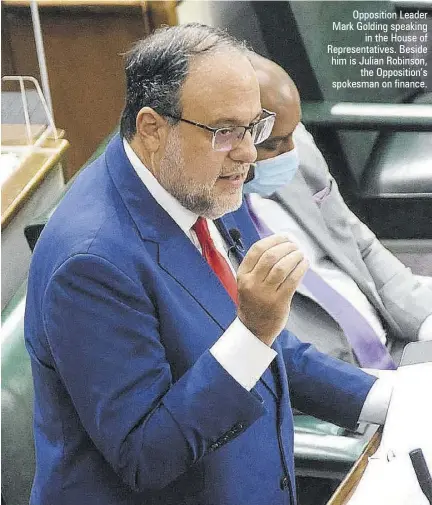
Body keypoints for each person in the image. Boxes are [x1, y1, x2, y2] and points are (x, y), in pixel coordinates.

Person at [25, 24, 391, 505]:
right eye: (225, 131)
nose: (248, 154)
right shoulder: (91, 263)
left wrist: (393, 402)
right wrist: (253, 331)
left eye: (252, 126)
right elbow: (145, 455)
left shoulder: (205, 180)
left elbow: (269, 341)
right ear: (153, 128)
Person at [244, 53, 432, 367]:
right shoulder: (202, 235)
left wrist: (424, 320)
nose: (294, 150)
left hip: (398, 342)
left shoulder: (290, 138)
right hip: (342, 388)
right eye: (275, 144)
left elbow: (358, 241)